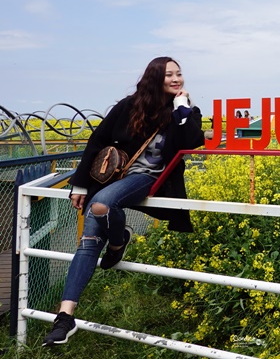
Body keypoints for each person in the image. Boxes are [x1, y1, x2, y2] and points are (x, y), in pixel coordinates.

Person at [43, 57, 205, 347]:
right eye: (169, 74)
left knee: (101, 204)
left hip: (148, 179)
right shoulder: (129, 106)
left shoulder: (187, 112)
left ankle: (118, 242)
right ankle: (64, 318)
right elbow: (97, 139)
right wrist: (80, 182)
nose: (177, 78)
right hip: (112, 177)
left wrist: (181, 107)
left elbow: (192, 140)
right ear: (155, 78)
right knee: (89, 240)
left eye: (179, 74)